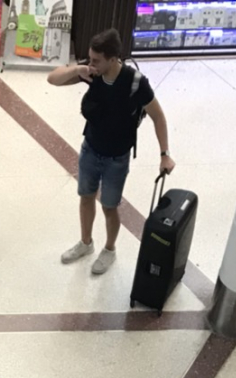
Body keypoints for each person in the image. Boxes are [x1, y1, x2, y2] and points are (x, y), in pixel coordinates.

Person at [47, 29, 175, 276]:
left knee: (109, 206)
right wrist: (77, 70)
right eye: (90, 59)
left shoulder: (135, 83)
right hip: (90, 149)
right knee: (85, 196)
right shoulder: (91, 73)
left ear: (113, 58)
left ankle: (109, 249)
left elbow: (158, 116)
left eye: (96, 60)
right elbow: (52, 79)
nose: (91, 64)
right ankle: (85, 243)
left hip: (117, 158)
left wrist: (164, 154)